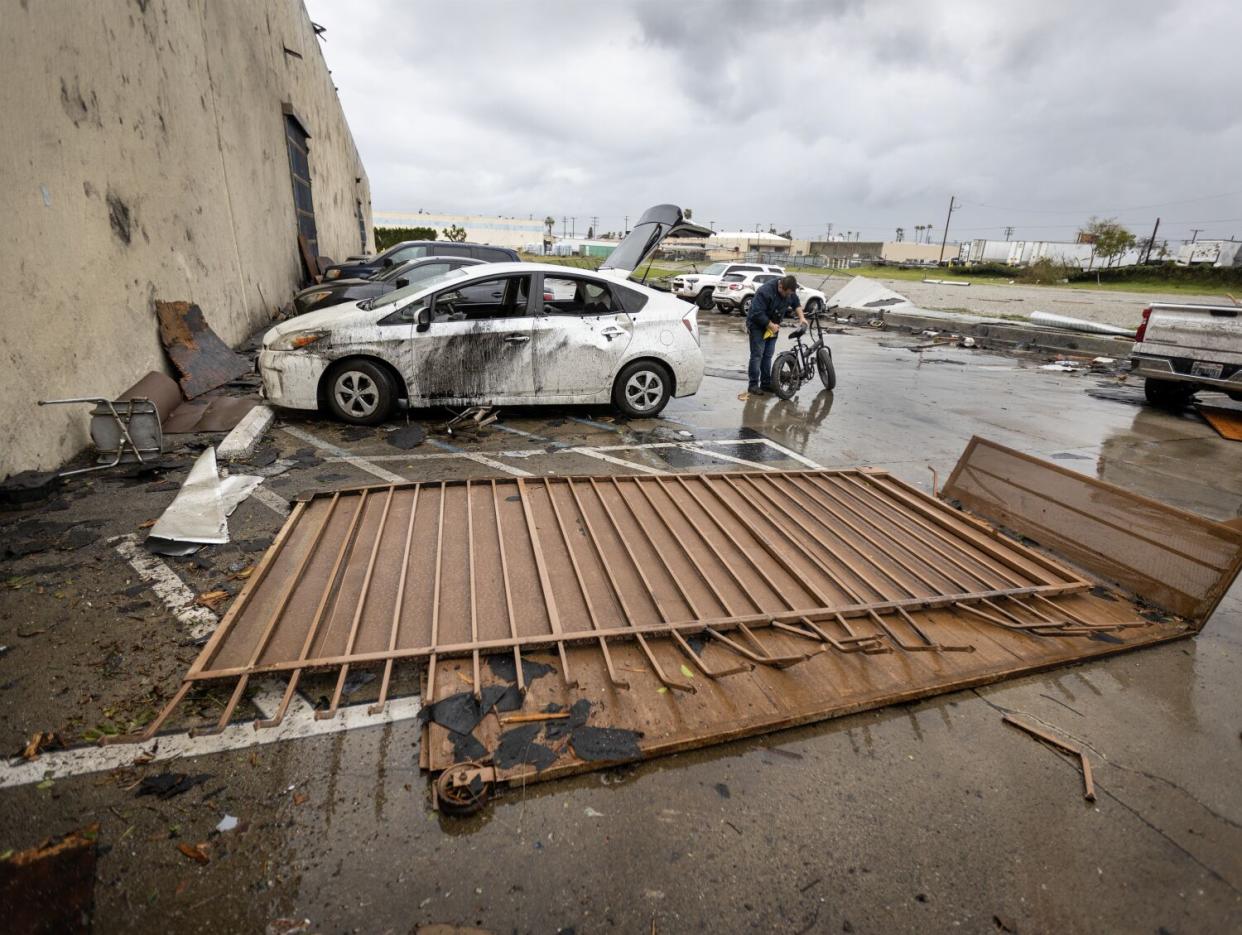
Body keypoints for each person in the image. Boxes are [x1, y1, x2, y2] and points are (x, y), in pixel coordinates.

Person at [744, 274, 807, 396]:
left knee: (768, 355)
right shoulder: (765, 291)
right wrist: (769, 324)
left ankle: (766, 384)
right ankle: (753, 385)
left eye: (790, 294)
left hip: (773, 327)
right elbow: (756, 313)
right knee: (757, 355)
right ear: (780, 286)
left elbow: (796, 303)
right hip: (757, 325)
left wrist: (802, 318)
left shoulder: (789, 291)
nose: (788, 296)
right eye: (786, 293)